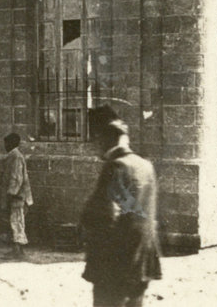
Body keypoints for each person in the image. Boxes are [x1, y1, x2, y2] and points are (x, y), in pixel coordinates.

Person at [81, 106, 161, 307]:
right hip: (142, 262)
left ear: (102, 139)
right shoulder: (145, 166)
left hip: (115, 266)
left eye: (95, 141)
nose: (94, 147)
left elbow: (105, 215)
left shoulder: (116, 166)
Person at [0, 132, 33, 259]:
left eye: (6, 143)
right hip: (16, 195)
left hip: (18, 196)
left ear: (11, 143)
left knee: (17, 222)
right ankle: (16, 249)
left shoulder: (16, 157)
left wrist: (11, 193)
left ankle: (18, 251)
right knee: (15, 221)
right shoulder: (12, 156)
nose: (5, 146)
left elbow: (16, 178)